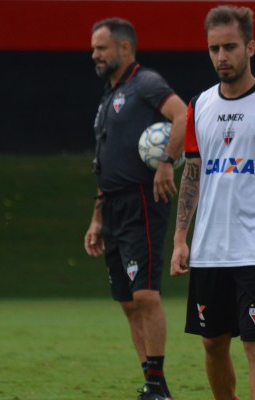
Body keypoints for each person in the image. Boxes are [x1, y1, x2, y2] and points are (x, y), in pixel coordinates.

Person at [169, 5, 255, 400]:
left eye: (230, 47)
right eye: (214, 49)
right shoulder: (199, 106)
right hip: (211, 248)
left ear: (251, 47)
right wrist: (181, 237)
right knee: (212, 343)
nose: (221, 57)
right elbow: (192, 172)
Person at [84, 17, 187, 400]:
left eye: (101, 48)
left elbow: (182, 115)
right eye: (94, 49)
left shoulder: (145, 83)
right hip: (111, 206)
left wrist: (166, 162)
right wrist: (96, 217)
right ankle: (151, 382)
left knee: (145, 294)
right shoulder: (108, 98)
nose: (94, 55)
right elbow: (104, 162)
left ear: (124, 49)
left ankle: (158, 386)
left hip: (141, 201)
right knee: (128, 301)